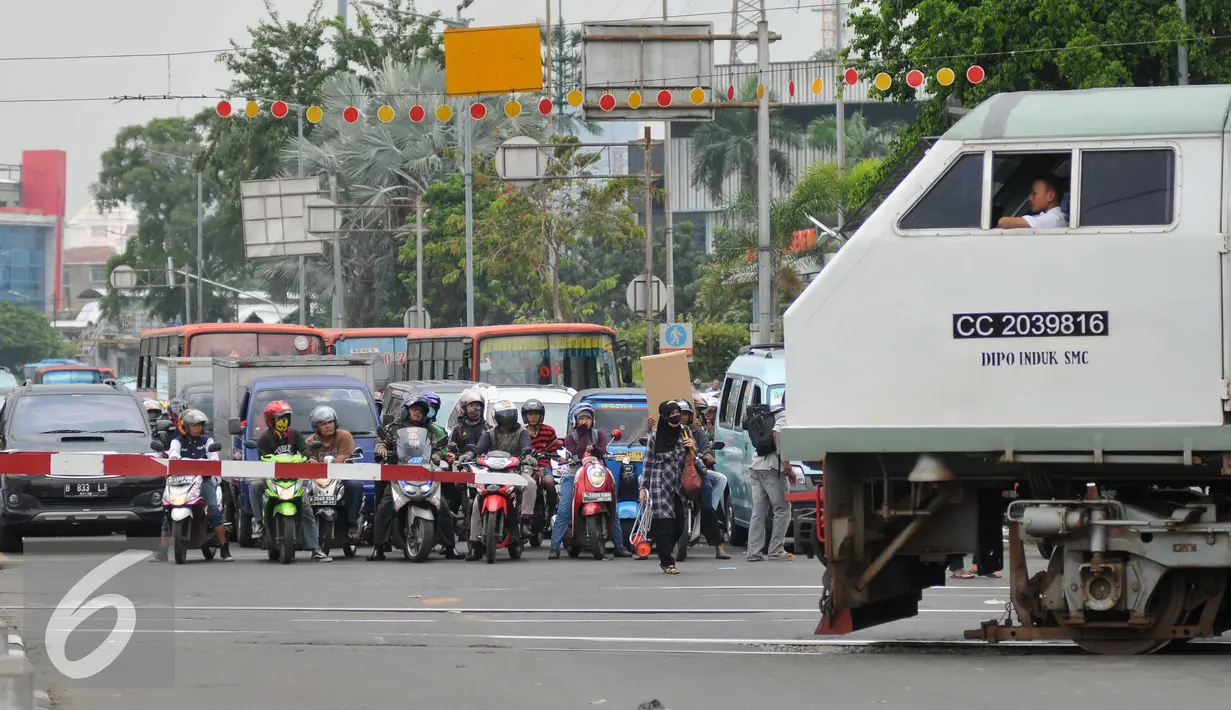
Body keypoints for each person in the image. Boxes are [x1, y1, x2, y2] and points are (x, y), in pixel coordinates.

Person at [369, 395, 459, 560]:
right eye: (414, 409)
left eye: (421, 410)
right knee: (385, 506)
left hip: (426, 474)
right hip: (399, 473)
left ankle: (450, 547)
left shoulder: (433, 430)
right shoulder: (393, 428)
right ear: (407, 410)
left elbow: (442, 446)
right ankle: (379, 547)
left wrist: (439, 455)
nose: (418, 413)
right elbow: (381, 441)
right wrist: (381, 449)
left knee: (444, 506)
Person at [549, 403, 631, 559]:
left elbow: (602, 450)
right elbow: (577, 452)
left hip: (596, 472)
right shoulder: (570, 437)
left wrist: (593, 448)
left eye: (588, 418)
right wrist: (582, 435)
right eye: (581, 418)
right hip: (574, 474)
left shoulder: (599, 434)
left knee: (612, 504)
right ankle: (554, 546)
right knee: (565, 509)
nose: (585, 421)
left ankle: (619, 545)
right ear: (575, 421)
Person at [253, 401, 331, 562]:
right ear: (271, 420)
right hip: (272, 480)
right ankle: (259, 524)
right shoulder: (265, 438)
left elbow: (305, 449)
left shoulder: (294, 434)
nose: (284, 421)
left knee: (306, 508)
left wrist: (310, 458)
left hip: (293, 480)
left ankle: (315, 548)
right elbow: (260, 458)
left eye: (286, 418)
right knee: (254, 486)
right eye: (280, 418)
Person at [465, 401, 538, 561]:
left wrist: (527, 456)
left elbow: (526, 447)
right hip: (491, 473)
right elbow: (479, 449)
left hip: (514, 472)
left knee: (531, 484)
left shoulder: (522, 432)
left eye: (509, 414)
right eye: (503, 415)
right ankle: (474, 544)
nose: (506, 418)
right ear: (496, 417)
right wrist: (469, 456)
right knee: (477, 503)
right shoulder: (489, 433)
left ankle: (525, 520)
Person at [156, 409, 231, 562]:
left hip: (203, 481)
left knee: (213, 511)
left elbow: (214, 458)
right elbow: (173, 456)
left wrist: (210, 461)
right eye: (194, 425)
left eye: (200, 425)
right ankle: (162, 551)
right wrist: (175, 459)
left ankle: (224, 547)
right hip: (180, 481)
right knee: (167, 512)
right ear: (184, 426)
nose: (198, 428)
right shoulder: (177, 441)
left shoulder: (207, 441)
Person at [640, 400, 691, 574]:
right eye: (672, 413)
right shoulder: (655, 437)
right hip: (659, 483)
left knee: (679, 525)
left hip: (679, 485)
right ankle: (667, 562)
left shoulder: (685, 432)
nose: (676, 415)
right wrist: (643, 488)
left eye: (678, 411)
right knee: (665, 524)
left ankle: (664, 547)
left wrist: (693, 447)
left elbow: (692, 458)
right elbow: (647, 463)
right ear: (664, 415)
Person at [304, 405, 366, 541]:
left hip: (342, 478)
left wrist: (316, 465)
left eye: (330, 422)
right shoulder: (310, 442)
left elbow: (339, 460)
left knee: (355, 485)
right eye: (323, 423)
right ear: (316, 427)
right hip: (319, 481)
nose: (328, 426)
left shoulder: (345, 436)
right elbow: (303, 457)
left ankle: (352, 523)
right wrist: (307, 461)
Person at [746, 392, 794, 562]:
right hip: (772, 467)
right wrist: (786, 464)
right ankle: (776, 550)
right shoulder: (785, 414)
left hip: (756, 465)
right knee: (782, 509)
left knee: (759, 510)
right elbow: (777, 434)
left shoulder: (771, 412)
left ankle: (753, 551)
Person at [680, 398, 729, 560]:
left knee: (708, 500)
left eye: (684, 414)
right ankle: (644, 537)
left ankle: (718, 546)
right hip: (670, 474)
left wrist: (705, 455)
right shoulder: (664, 432)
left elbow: (707, 450)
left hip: (694, 473)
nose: (681, 417)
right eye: (676, 414)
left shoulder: (696, 432)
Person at [522, 398, 560, 514]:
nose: (533, 417)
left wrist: (550, 453)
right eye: (530, 414)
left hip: (543, 465)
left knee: (549, 482)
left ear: (541, 415)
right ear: (525, 416)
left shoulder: (549, 431)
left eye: (536, 414)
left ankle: (552, 511)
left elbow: (555, 449)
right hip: (526, 466)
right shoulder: (521, 432)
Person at [996, 176, 1067, 229]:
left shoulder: (1052, 219)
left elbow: (1003, 223)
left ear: (1050, 196)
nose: (1030, 198)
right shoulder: (1054, 217)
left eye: (1034, 193)